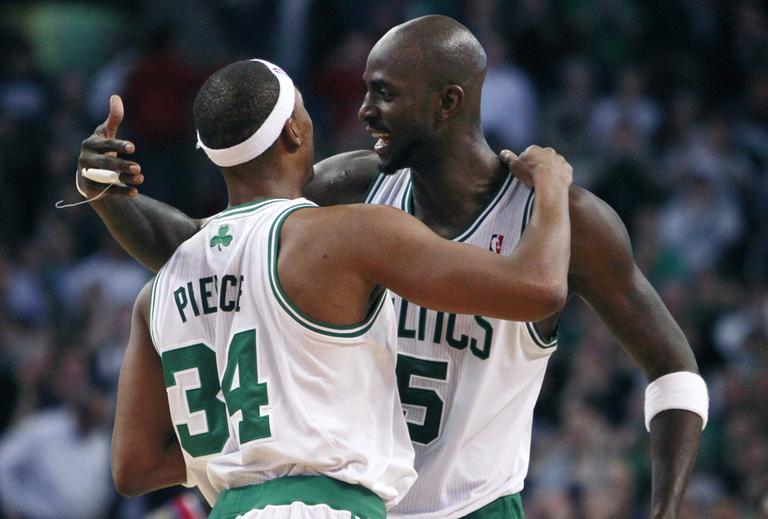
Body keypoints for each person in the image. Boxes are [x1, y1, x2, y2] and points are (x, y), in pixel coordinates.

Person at [78, 16, 707, 519]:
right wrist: (110, 196)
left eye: (383, 92)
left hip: (472, 506)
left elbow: (673, 368)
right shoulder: (353, 190)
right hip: (354, 500)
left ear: (447, 102)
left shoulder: (561, 217)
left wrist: (667, 508)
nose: (363, 111)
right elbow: (210, 249)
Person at [108, 58, 572, 518]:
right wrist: (552, 187)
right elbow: (539, 289)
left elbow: (134, 467)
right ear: (293, 129)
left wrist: (249, 449)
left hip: (229, 507)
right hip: (327, 507)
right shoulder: (344, 235)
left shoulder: (158, 291)